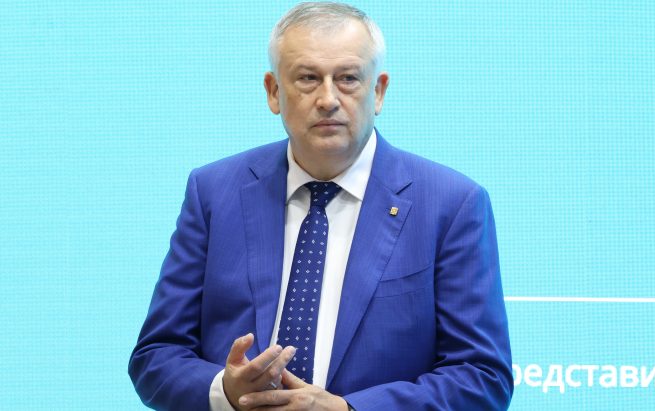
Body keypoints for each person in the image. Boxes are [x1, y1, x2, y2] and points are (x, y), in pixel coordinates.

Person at [129, 2, 513, 410]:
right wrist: (225, 391)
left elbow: (481, 377)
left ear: (378, 91)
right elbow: (156, 357)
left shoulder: (451, 205)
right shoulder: (213, 192)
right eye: (308, 78)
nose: (328, 99)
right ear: (273, 92)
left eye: (348, 78)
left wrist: (348, 410)